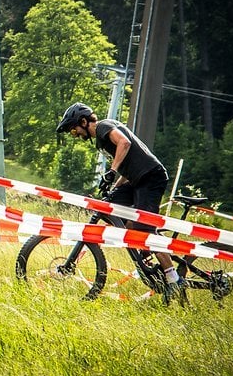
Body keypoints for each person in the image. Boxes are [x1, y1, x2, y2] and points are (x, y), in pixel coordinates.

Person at [56, 102, 186, 302]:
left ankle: (173, 278)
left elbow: (124, 143)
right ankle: (145, 254)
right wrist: (114, 186)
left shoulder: (102, 127)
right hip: (136, 180)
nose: (76, 135)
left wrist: (111, 171)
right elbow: (127, 166)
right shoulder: (100, 140)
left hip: (150, 178)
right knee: (110, 206)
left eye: (75, 130)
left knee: (145, 229)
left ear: (83, 121)